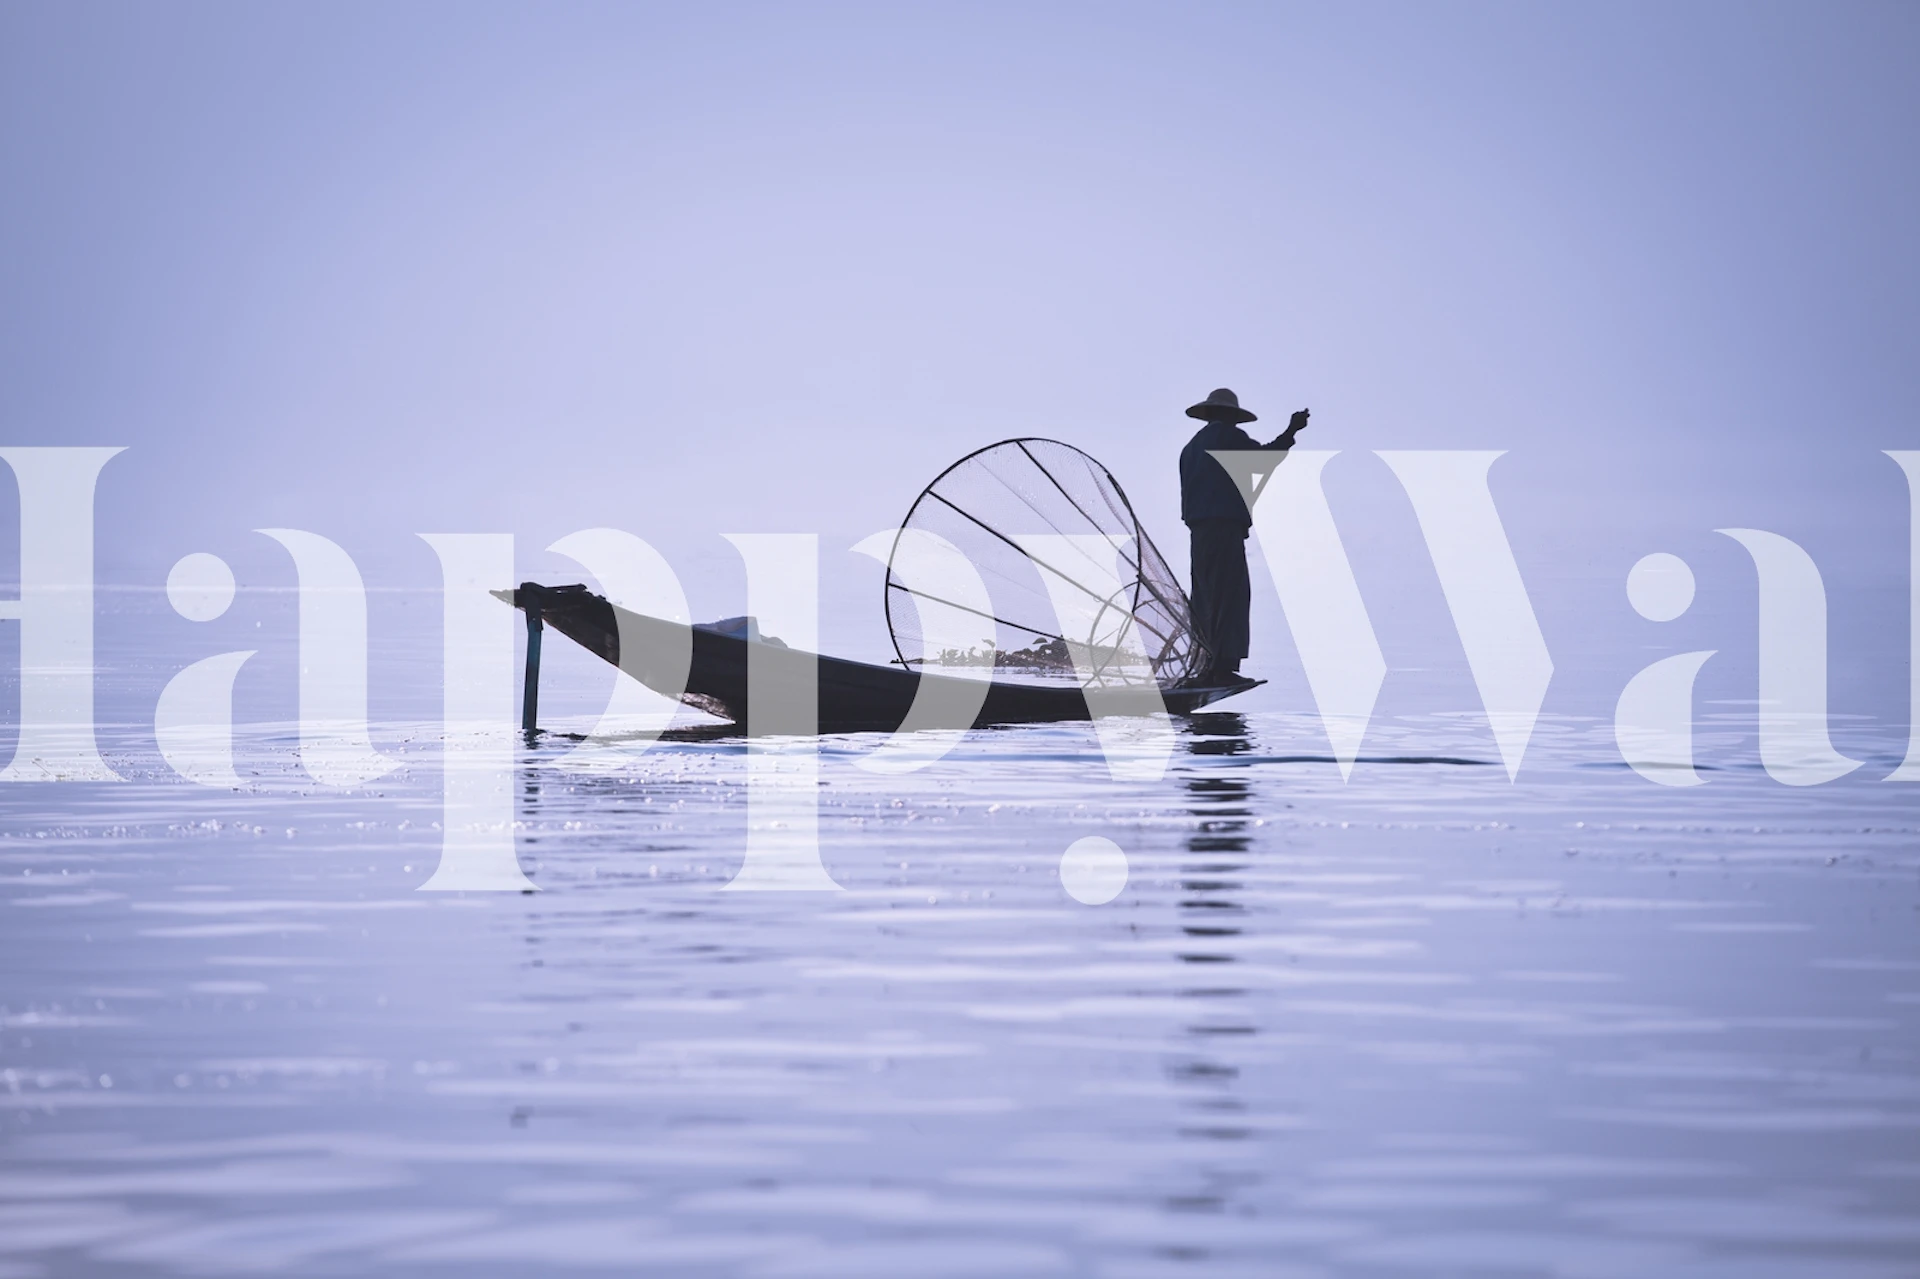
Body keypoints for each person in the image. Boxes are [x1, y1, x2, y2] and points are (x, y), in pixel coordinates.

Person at [1179, 387, 1309, 684]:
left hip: (1199, 531)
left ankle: (1205, 665)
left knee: (1205, 596)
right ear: (1229, 416)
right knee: (1230, 595)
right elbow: (1264, 460)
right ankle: (1222, 669)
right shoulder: (1228, 437)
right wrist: (1291, 431)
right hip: (1224, 527)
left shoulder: (1190, 447)